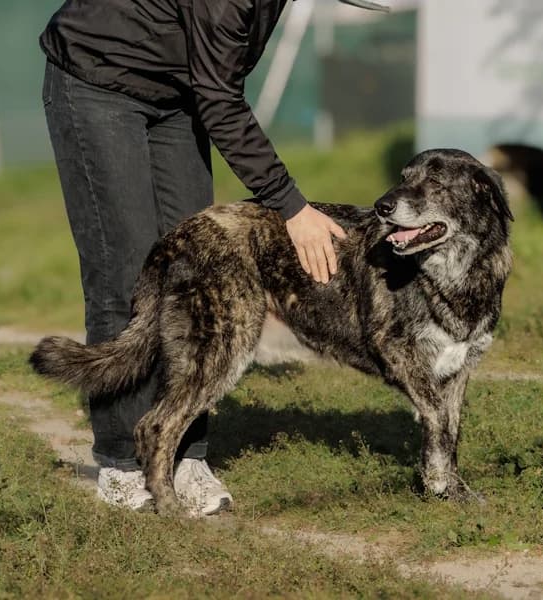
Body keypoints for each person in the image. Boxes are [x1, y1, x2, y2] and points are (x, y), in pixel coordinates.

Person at [39, 0, 389, 516]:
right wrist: (292, 207)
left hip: (179, 94)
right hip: (99, 79)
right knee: (125, 275)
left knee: (199, 275)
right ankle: (121, 462)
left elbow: (218, 76)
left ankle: (184, 455)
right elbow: (222, 98)